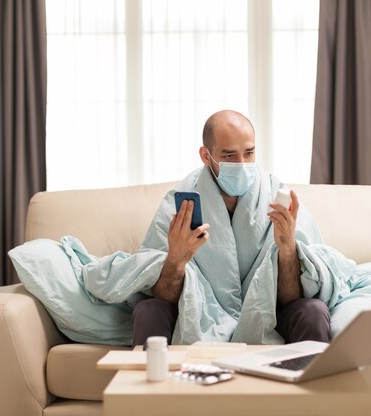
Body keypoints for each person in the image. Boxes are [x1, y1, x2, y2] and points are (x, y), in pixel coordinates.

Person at [132, 110, 330, 347]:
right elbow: (162, 296)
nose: (242, 165)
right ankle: (153, 383)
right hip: (197, 314)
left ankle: (305, 383)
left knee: (313, 310)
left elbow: (292, 298)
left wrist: (287, 248)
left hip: (267, 314)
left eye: (249, 153)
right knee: (148, 310)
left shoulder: (276, 195)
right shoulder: (179, 203)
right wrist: (175, 260)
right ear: (206, 156)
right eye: (229, 156)